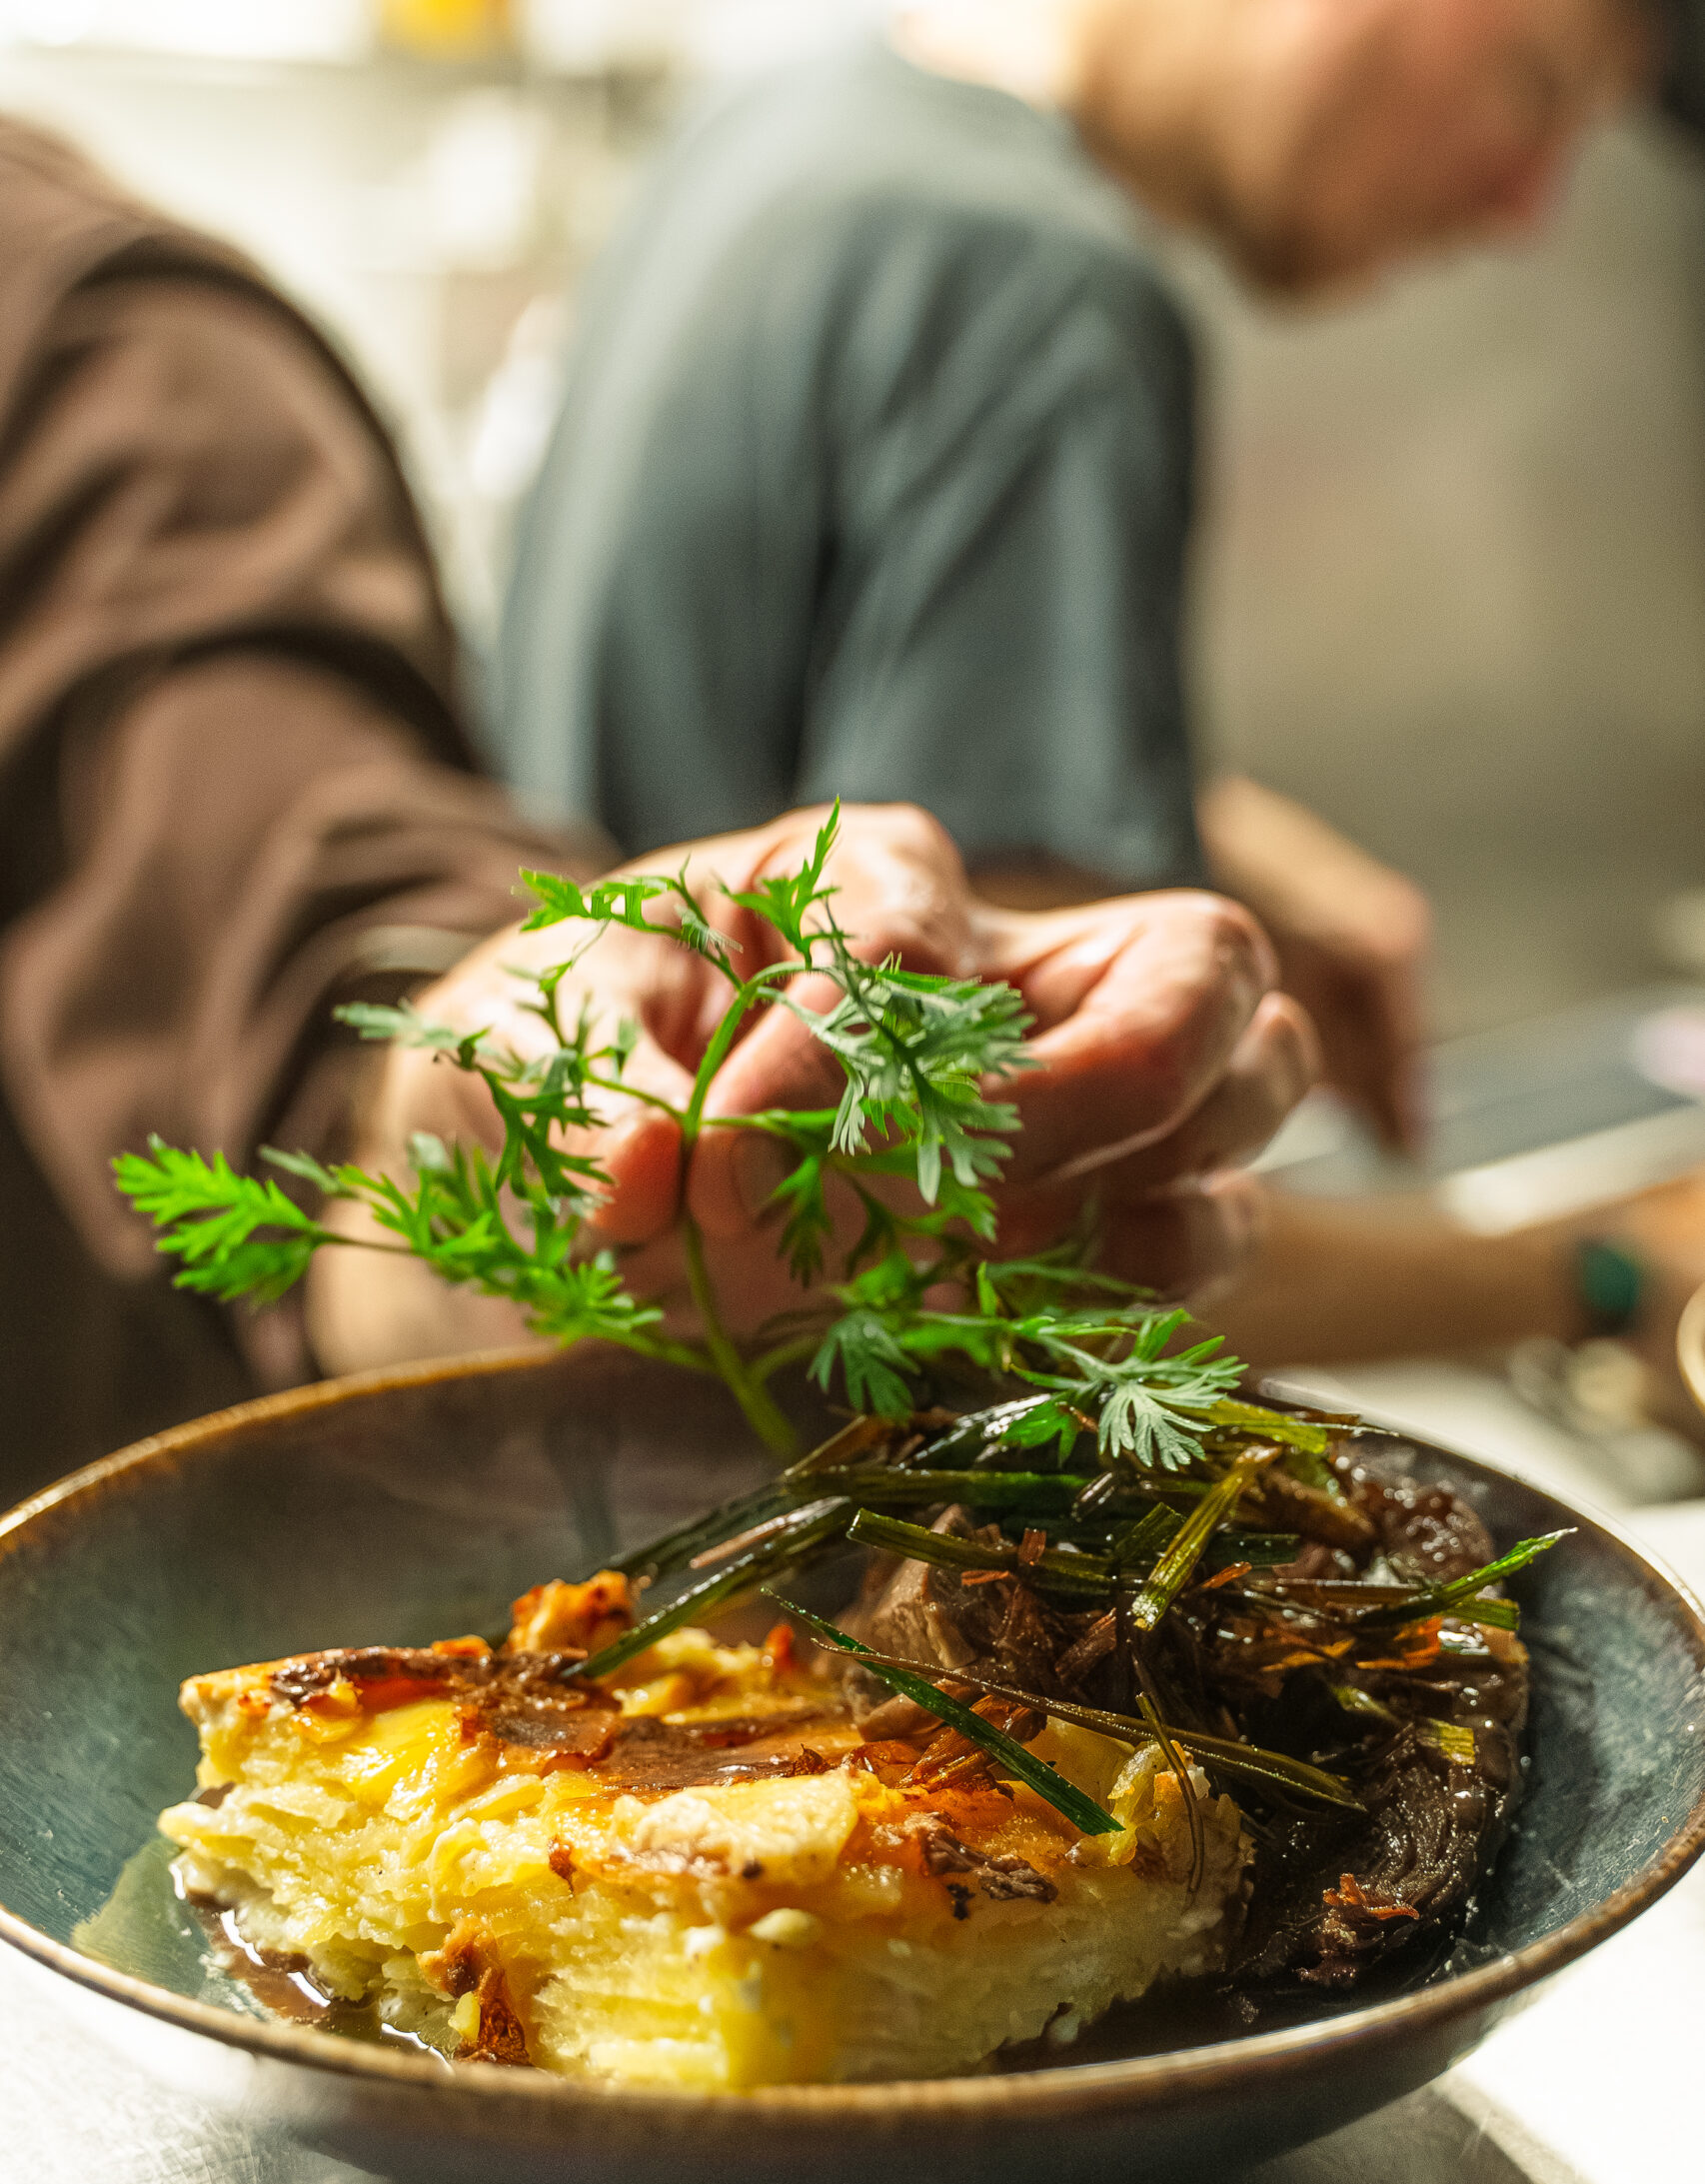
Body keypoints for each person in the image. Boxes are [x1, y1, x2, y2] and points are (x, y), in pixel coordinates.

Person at [0, 117, 1310, 1504]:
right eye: (1537, 79)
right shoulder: (1013, 270)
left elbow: (258, 835)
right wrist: (1557, 1272)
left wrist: (466, 1123)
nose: (1525, 190)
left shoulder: (103, 349)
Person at [494, 0, 1705, 1407]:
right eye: (1537, 88)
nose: (1522, 204)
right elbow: (1031, 1235)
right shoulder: (1044, 289)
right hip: (795, 1462)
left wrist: (1196, 822)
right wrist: (1599, 1273)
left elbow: (765, 700)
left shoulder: (784, 125)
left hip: (578, 1379)